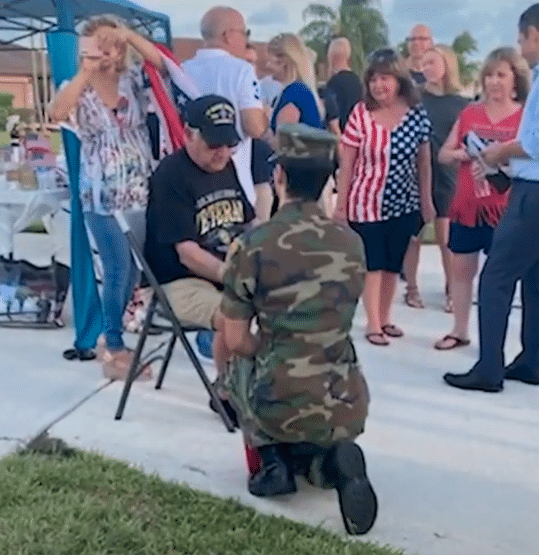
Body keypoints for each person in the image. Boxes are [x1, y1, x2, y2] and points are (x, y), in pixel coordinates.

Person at [221, 123, 376, 535]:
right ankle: (331, 459)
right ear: (327, 179)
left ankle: (272, 463)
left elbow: (236, 338)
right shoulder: (352, 243)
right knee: (327, 356)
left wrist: (268, 347)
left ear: (280, 176)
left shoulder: (254, 244)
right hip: (346, 399)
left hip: (280, 397)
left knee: (237, 364)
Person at [49, 15, 167, 377]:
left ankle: (111, 338)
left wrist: (128, 34)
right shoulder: (77, 86)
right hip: (101, 194)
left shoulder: (132, 80)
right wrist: (86, 70)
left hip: (139, 189)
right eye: (90, 46)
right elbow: (55, 113)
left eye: (104, 44)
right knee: (116, 268)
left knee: (132, 271)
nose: (99, 52)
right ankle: (113, 345)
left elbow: (162, 63)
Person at [444, 3, 539, 391]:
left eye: (523, 37)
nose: (522, 45)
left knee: (496, 278)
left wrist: (498, 153)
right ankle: (532, 360)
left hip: (531, 193)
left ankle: (488, 369)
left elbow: (534, 144)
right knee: (534, 279)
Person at [144, 95, 255, 418]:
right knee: (233, 314)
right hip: (180, 281)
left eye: (229, 144)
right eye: (214, 144)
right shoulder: (170, 176)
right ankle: (226, 391)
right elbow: (188, 254)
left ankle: (265, 382)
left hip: (226, 270)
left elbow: (248, 223)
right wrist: (234, 276)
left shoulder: (227, 165)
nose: (222, 152)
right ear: (190, 133)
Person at [334, 48, 435, 346]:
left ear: (399, 79)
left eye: (385, 78)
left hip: (404, 202)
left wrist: (426, 201)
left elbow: (424, 162)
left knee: (393, 264)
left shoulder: (416, 112)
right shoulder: (361, 114)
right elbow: (347, 161)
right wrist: (341, 204)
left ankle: (385, 316)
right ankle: (373, 324)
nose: (379, 85)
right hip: (366, 202)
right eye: (374, 80)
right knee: (373, 263)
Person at [434, 47, 529, 352]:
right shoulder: (469, 113)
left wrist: (499, 162)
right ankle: (459, 330)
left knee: (501, 280)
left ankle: (497, 342)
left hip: (506, 208)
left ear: (515, 79)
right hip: (468, 206)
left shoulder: (524, 116)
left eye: (501, 75)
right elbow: (443, 153)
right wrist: (462, 154)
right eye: (489, 75)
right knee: (462, 272)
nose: (494, 81)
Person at [402, 45, 469, 312]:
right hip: (414, 173)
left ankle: (452, 289)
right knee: (413, 236)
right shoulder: (414, 99)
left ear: (447, 65)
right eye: (424, 63)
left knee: (446, 237)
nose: (426, 67)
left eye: (433, 62)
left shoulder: (461, 103)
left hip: (448, 176)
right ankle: (412, 288)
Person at [182, 6, 268, 208]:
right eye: (244, 33)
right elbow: (254, 127)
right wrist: (264, 114)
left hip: (191, 178)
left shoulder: (183, 69)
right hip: (233, 182)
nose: (245, 40)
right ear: (228, 35)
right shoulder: (242, 70)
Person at [266, 33, 325, 134]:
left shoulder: (294, 94)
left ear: (283, 61)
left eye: (270, 60)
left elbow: (282, 141)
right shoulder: (301, 90)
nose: (267, 65)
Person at [324, 37, 363, 133]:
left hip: (340, 136)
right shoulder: (359, 82)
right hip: (357, 135)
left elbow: (331, 117)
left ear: (331, 57)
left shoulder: (333, 83)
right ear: (348, 56)